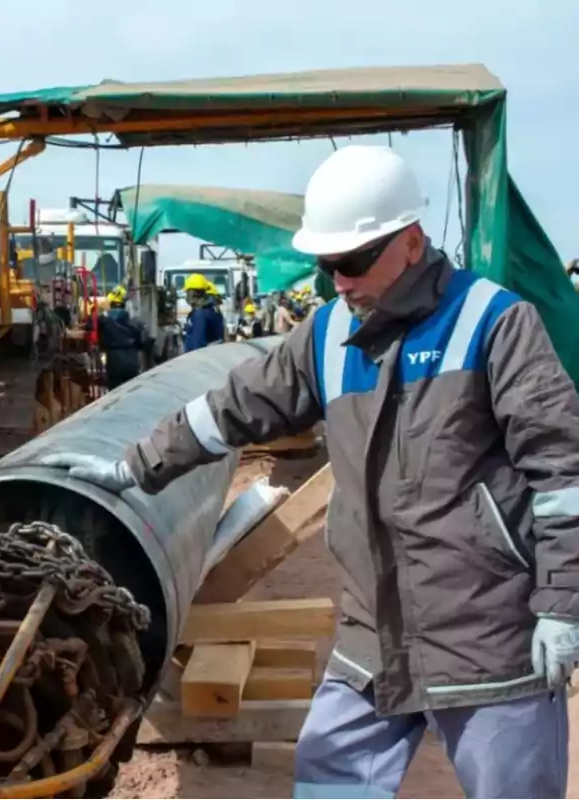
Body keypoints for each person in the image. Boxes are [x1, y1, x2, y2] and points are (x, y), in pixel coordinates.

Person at [41, 144, 579, 798]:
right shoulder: (326, 335)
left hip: (486, 633)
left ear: (411, 241)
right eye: (327, 266)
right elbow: (232, 408)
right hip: (374, 636)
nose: (339, 281)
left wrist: (562, 606)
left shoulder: (492, 323)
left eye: (352, 262)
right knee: (329, 780)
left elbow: (562, 473)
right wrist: (132, 466)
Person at [92, 285, 146, 389]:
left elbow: (93, 332)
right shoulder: (135, 323)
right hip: (132, 361)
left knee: (114, 394)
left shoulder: (103, 321)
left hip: (114, 360)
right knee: (131, 391)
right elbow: (141, 344)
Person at [181, 273, 225, 352]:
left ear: (193, 293)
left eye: (187, 292)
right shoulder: (212, 311)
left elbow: (198, 344)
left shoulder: (200, 314)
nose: (186, 296)